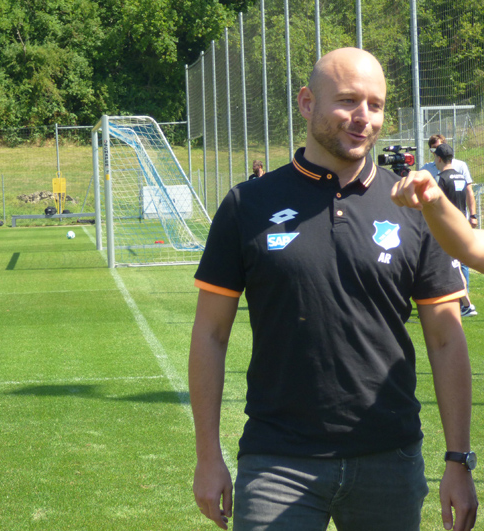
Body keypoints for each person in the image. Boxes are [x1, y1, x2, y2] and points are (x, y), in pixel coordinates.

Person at [189, 47, 478, 531]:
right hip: (276, 461)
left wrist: (458, 459)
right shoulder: (247, 204)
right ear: (307, 103)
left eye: (376, 104)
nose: (364, 117)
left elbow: (447, 339)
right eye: (347, 100)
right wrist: (207, 455)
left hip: (389, 459)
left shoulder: (414, 207)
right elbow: (210, 334)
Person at [433, 143, 478, 316]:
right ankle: (462, 303)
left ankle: (467, 304)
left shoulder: (441, 178)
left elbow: (437, 204)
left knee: (453, 267)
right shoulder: (460, 177)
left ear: (438, 158)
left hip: (447, 227)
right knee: (456, 266)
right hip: (461, 223)